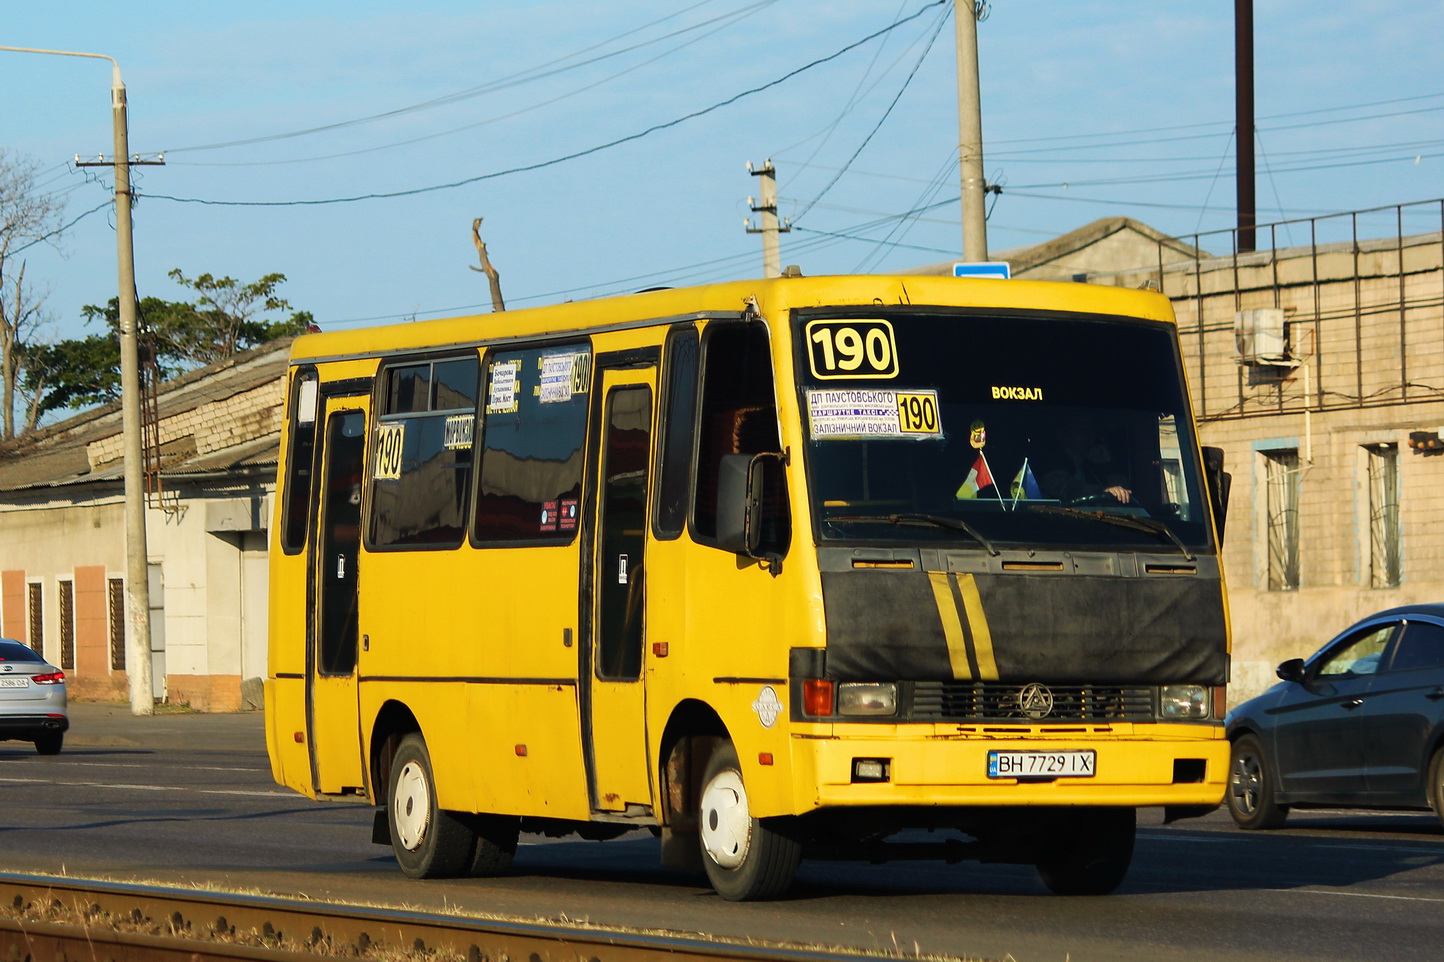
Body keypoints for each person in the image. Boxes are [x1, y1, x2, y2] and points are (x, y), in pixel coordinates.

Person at [1040, 412, 1132, 504]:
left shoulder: (1092, 466)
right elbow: (1066, 488)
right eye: (1081, 429)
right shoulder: (1051, 464)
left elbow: (1124, 494)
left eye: (1091, 430)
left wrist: (1107, 465)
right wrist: (1104, 491)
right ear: (1063, 435)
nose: (1088, 435)